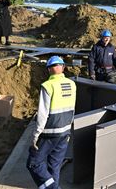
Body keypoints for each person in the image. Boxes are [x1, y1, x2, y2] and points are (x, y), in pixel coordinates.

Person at [27, 56, 77, 189]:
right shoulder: (72, 84)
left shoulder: (48, 86)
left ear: (49, 70)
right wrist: (69, 129)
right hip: (65, 131)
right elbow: (72, 109)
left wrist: (35, 135)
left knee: (34, 163)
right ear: (63, 67)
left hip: (50, 133)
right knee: (54, 166)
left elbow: (43, 114)